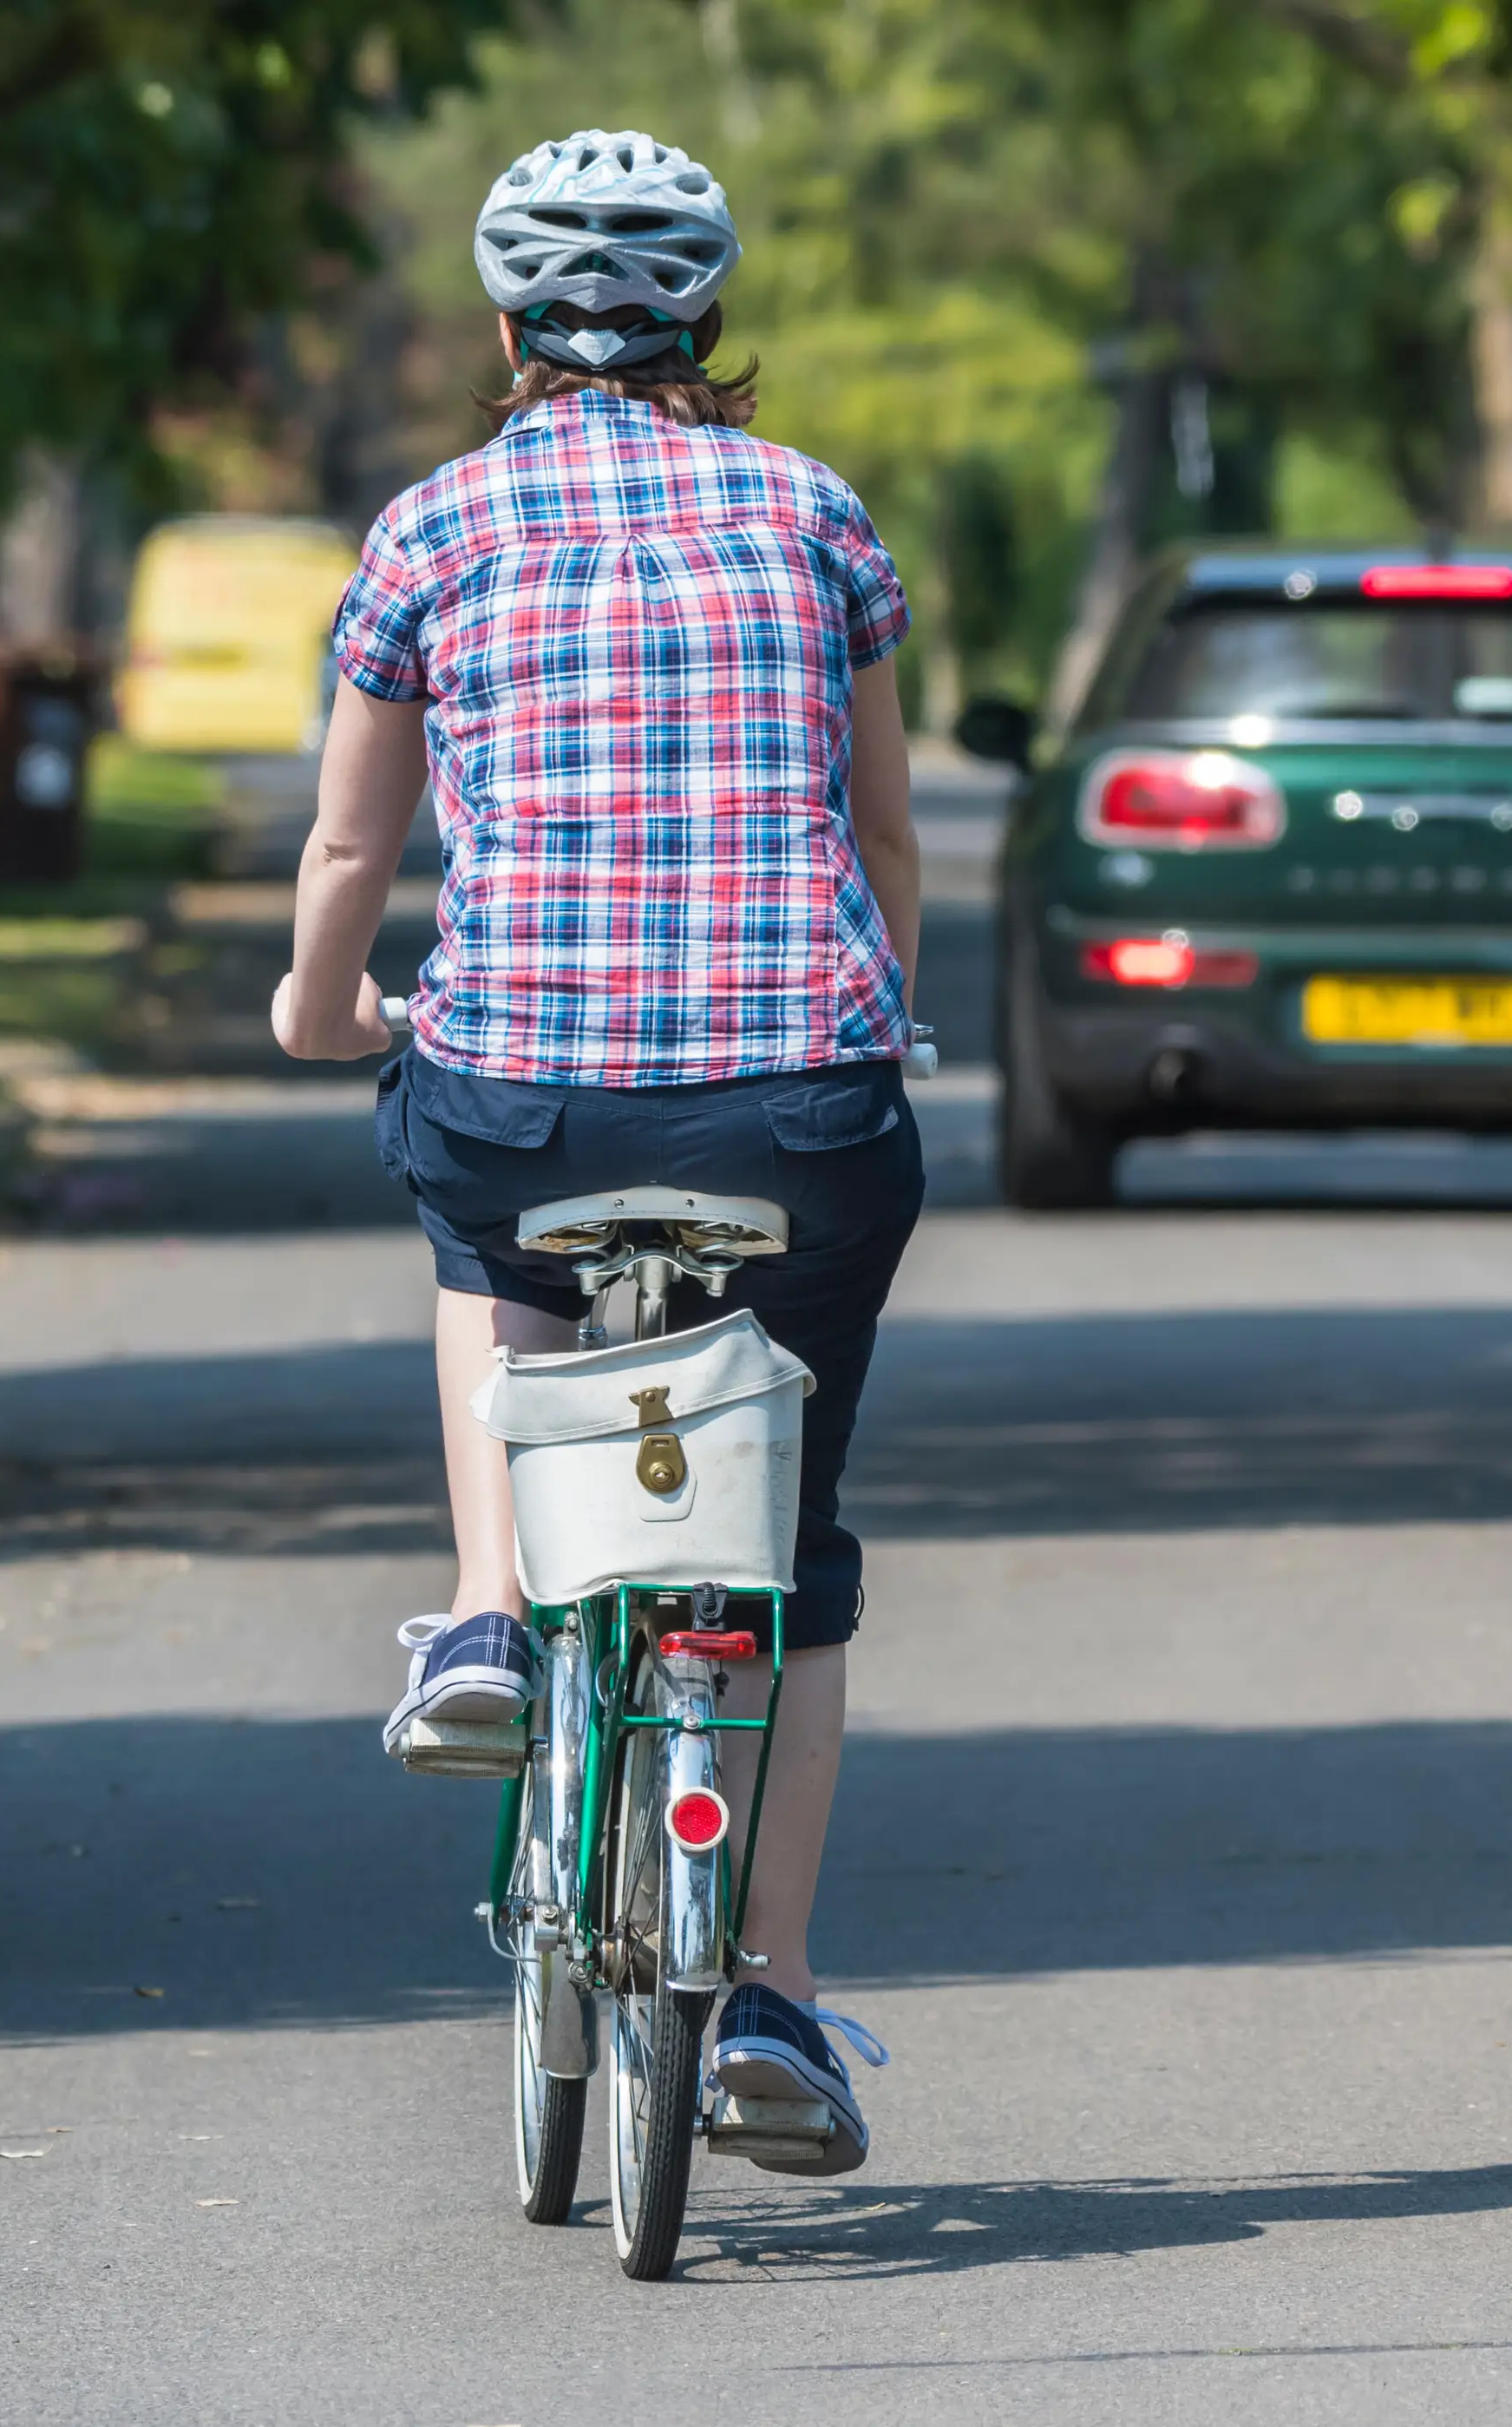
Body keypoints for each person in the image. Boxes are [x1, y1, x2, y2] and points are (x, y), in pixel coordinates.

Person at [272, 128, 923, 2178]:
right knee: (791, 1555)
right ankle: (778, 2013)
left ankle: (485, 1612)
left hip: (529, 1090)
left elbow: (359, 848)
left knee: (489, 1252)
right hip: (803, 1107)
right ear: (707, 322)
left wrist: (321, 1008)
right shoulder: (819, 520)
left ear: (505, 327)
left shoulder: (432, 533)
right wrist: (872, 1019)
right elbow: (886, 840)